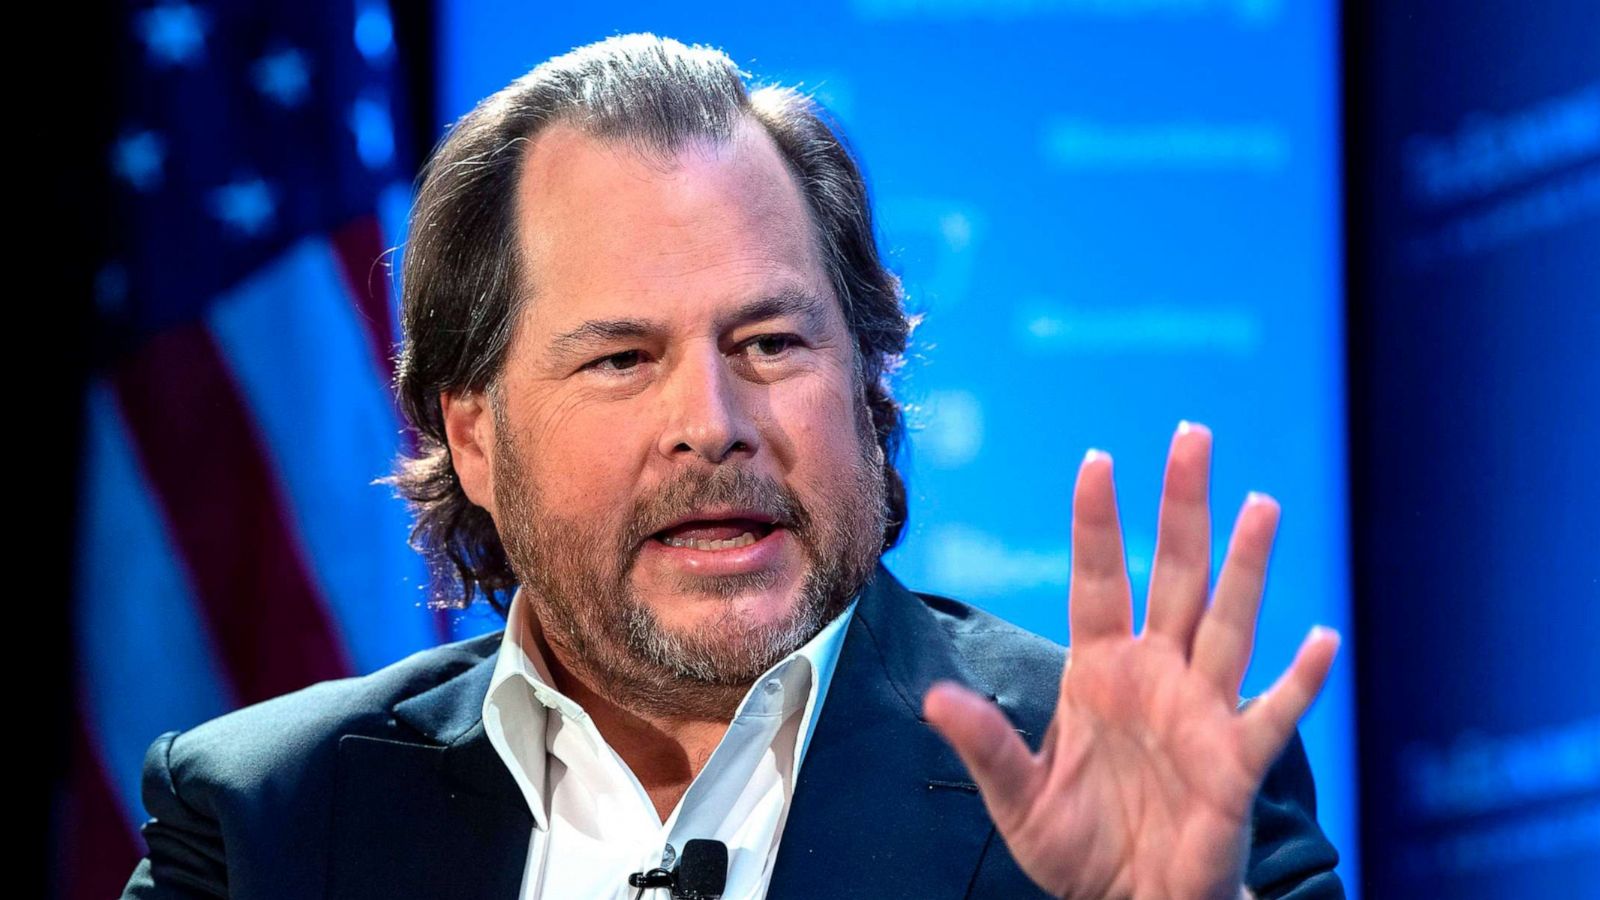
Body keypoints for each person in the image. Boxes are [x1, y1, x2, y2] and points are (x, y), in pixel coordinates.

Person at [121, 32, 1343, 899]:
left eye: (769, 342)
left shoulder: (1127, 786)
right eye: (620, 358)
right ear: (476, 436)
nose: (711, 420)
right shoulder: (264, 822)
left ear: (867, 384)